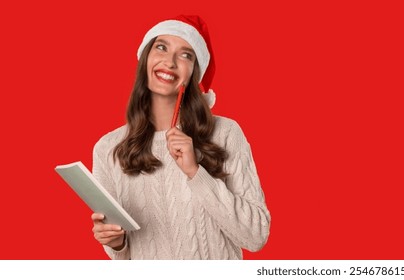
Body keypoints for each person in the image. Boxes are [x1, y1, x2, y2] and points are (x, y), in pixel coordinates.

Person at [90, 15, 270, 259]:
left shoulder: (226, 133)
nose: (170, 61)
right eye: (161, 47)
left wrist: (196, 172)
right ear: (145, 58)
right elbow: (126, 258)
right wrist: (117, 243)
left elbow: (256, 236)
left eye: (186, 54)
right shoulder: (108, 149)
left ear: (195, 73)